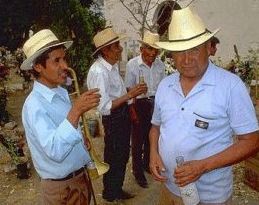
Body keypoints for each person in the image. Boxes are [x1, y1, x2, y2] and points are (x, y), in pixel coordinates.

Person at [149, 7, 259, 205]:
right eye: (179, 52)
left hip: (210, 195)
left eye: (194, 49)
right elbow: (156, 127)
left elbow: (252, 142)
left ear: (209, 47)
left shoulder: (230, 86)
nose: (187, 59)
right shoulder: (165, 85)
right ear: (171, 55)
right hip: (169, 189)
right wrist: (153, 153)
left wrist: (203, 166)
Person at [21, 29, 101, 205]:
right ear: (38, 67)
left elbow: (64, 130)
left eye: (64, 58)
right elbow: (54, 150)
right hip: (61, 189)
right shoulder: (34, 106)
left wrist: (80, 140)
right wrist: (76, 111)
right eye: (56, 60)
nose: (65, 65)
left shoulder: (61, 92)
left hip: (78, 180)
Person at [87, 27, 147, 202]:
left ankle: (116, 189)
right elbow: (104, 107)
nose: (120, 48)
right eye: (116, 46)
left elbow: (116, 94)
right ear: (105, 50)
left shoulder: (111, 67)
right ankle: (110, 193)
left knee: (120, 156)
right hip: (112, 119)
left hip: (120, 115)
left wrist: (129, 96)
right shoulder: (100, 72)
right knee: (114, 156)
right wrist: (130, 94)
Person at [124, 30, 165, 188]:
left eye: (156, 50)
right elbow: (129, 91)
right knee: (137, 140)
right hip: (138, 104)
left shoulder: (160, 65)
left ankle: (148, 165)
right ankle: (137, 172)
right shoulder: (132, 65)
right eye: (149, 49)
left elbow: (162, 89)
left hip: (155, 104)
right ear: (142, 49)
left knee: (151, 137)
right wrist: (132, 111)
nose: (153, 53)